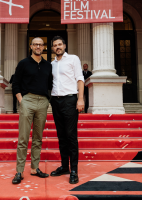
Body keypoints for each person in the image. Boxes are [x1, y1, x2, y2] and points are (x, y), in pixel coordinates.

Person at [12, 37, 52, 184]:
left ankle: (35, 168)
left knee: (38, 138)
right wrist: (21, 101)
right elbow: (16, 84)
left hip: (43, 102)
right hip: (27, 100)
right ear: (31, 46)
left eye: (40, 45)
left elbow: (51, 85)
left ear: (43, 47)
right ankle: (19, 171)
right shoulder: (23, 63)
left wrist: (48, 101)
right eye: (35, 44)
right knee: (23, 138)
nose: (38, 47)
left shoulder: (48, 65)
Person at [50, 36, 84, 184]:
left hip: (70, 100)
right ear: (52, 48)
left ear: (64, 45)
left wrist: (80, 99)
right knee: (61, 135)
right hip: (55, 101)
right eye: (55, 45)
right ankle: (65, 166)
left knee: (71, 135)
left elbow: (80, 78)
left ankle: (74, 170)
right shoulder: (51, 64)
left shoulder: (73, 59)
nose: (58, 47)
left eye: (60, 44)